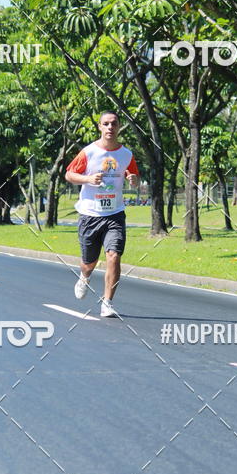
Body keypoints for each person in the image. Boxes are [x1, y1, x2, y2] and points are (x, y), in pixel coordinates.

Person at [65, 110, 139, 318]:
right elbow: (69, 174)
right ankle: (85, 276)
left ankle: (107, 302)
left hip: (114, 213)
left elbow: (134, 176)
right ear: (99, 127)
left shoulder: (126, 154)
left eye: (113, 123)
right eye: (105, 124)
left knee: (114, 256)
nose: (110, 127)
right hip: (90, 214)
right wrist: (87, 180)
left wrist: (134, 181)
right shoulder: (88, 152)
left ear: (119, 126)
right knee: (89, 262)